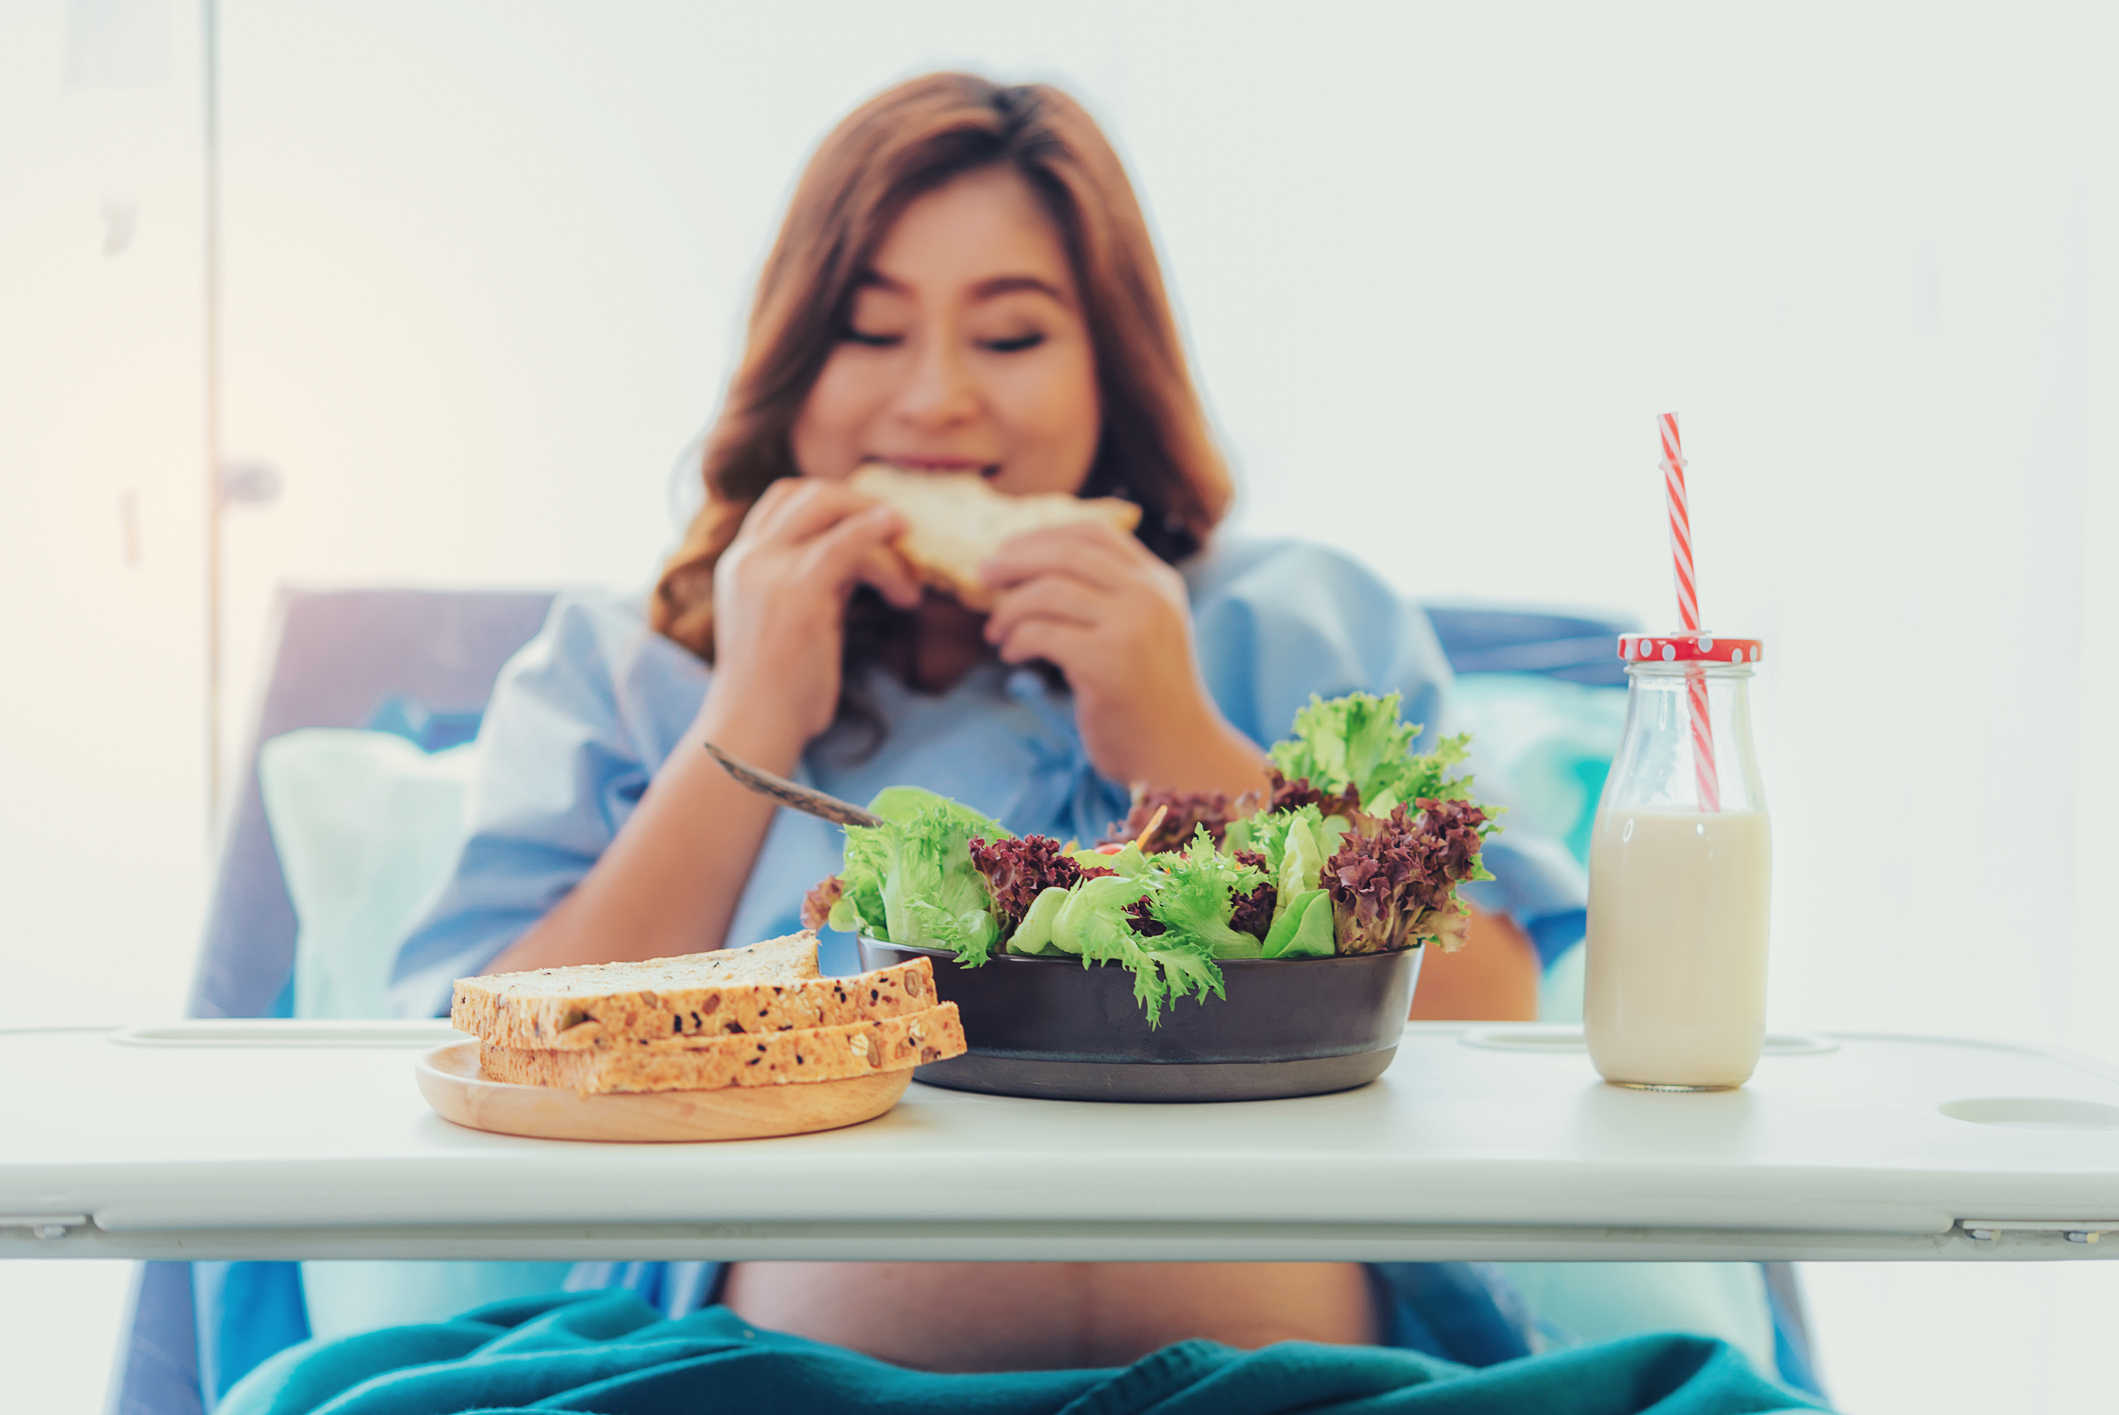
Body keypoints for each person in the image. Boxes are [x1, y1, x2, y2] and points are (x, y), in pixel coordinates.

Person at [392, 72, 1587, 1374]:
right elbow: (499, 1045)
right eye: (869, 332)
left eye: (1012, 339)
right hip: (757, 1386)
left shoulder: (1301, 621)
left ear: (1110, 370)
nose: (939, 399)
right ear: (792, 363)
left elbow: (1498, 1013)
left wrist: (1181, 742)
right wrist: (747, 723)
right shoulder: (627, 663)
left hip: (1314, 1384)